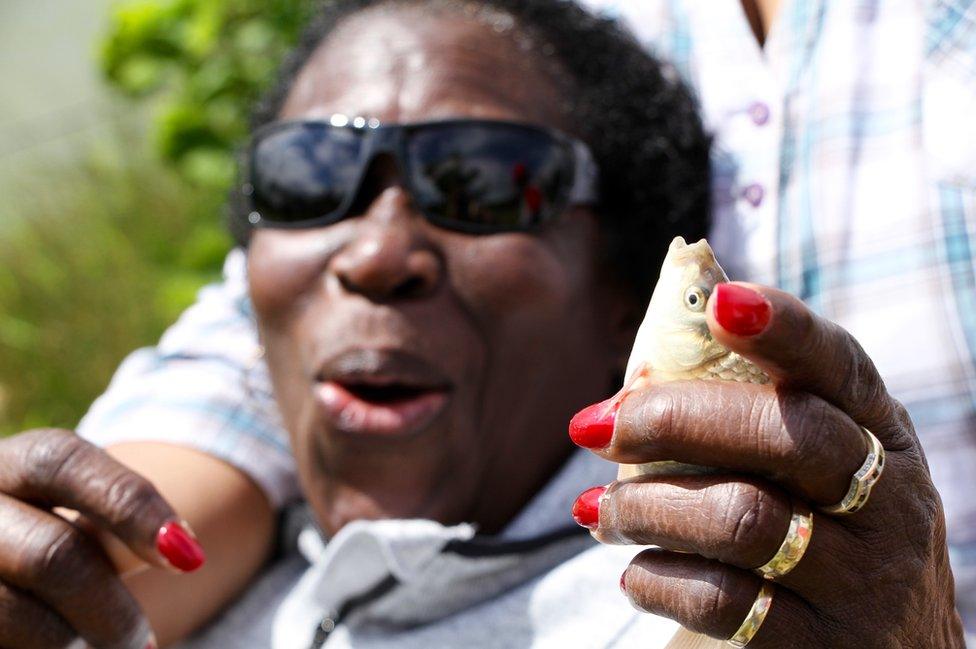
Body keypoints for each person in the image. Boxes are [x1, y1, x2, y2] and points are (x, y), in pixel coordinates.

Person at [0, 0, 966, 647]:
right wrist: (64, 573)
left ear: (623, 297)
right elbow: (230, 390)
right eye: (305, 180)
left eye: (484, 183)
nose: (372, 253)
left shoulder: (646, 614)